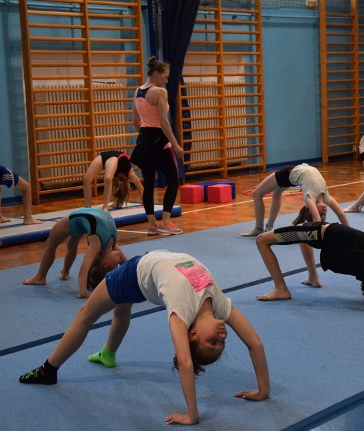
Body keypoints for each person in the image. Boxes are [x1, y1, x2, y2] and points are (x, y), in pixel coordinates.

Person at [19, 250, 270, 426]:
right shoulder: (221, 307)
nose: (222, 337)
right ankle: (108, 354)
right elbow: (255, 343)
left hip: (135, 274)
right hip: (150, 269)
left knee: (86, 315)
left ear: (192, 334)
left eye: (213, 342)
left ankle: (48, 370)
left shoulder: (180, 314)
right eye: (221, 342)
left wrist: (192, 415)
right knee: (121, 306)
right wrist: (263, 391)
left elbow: (185, 363)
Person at [254, 210, 364, 311]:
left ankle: (281, 289)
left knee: (262, 240)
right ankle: (313, 277)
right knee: (301, 231)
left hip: (316, 234)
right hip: (321, 231)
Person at [130, 56, 184, 235]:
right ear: (156, 74)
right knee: (174, 181)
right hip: (160, 141)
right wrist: (175, 144)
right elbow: (164, 122)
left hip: (144, 140)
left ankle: (152, 225)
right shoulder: (160, 92)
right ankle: (167, 223)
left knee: (149, 184)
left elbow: (136, 121)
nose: (166, 81)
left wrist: (146, 135)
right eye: (165, 77)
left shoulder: (137, 91)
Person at [22, 208, 125, 298]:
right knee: (58, 245)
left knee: (62, 245)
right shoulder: (111, 245)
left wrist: (82, 292)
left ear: (105, 263)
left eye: (115, 265)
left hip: (75, 221)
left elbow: (83, 270)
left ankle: (45, 276)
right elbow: (127, 264)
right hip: (76, 221)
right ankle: (52, 274)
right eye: (116, 265)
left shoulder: (96, 245)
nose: (119, 261)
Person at [240, 163, 349, 237]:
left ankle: (260, 228)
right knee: (276, 193)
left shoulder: (309, 198)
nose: (325, 211)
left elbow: (316, 220)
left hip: (288, 174)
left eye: (322, 214)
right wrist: (350, 233)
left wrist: (318, 236)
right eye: (324, 214)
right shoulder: (326, 198)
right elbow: (341, 214)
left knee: (256, 194)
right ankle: (267, 228)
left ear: (311, 210)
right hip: (296, 174)